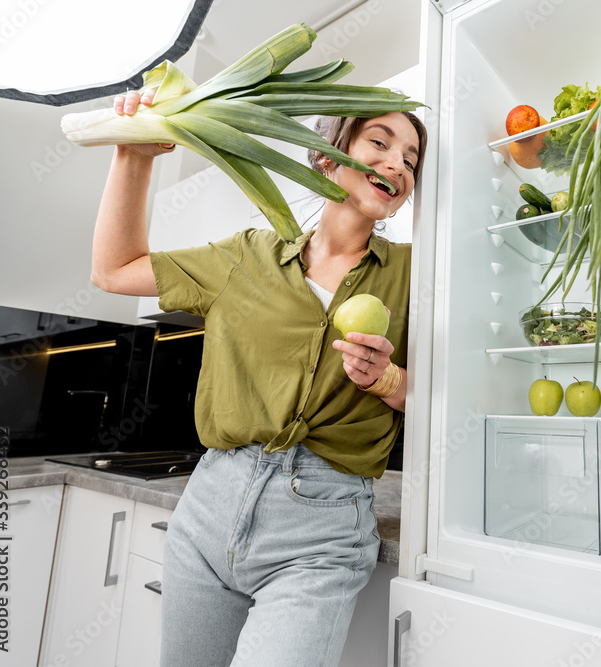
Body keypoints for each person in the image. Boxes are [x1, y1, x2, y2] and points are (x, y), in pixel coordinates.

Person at [92, 88, 427, 667]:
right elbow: (113, 270)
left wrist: (387, 381)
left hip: (323, 530)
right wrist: (134, 154)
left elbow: (447, 400)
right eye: (380, 141)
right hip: (210, 503)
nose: (398, 163)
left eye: (412, 160)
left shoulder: (416, 274)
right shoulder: (246, 256)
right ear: (327, 155)